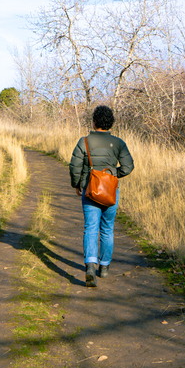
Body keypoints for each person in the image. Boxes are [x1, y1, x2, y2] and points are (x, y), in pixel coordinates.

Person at [69, 105, 134, 287]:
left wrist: (77, 184)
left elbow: (74, 165)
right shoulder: (119, 143)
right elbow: (128, 167)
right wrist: (113, 176)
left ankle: (90, 265)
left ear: (94, 121)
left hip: (90, 190)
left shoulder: (85, 142)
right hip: (111, 192)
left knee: (91, 227)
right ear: (110, 122)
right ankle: (104, 267)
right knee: (107, 229)